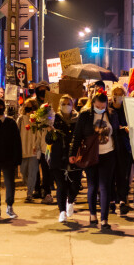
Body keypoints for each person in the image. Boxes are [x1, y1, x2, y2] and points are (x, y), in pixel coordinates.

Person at [69, 89, 119, 230]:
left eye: (103, 107)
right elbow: (77, 135)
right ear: (93, 104)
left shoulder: (112, 115)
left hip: (108, 154)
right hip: (91, 155)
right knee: (92, 185)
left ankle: (104, 219)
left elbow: (116, 133)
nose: (100, 109)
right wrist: (72, 153)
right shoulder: (85, 115)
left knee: (105, 186)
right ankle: (92, 215)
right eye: (98, 106)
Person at [46, 95, 80, 223]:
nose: (66, 106)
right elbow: (48, 140)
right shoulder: (55, 119)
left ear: (73, 105)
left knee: (75, 184)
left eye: (68, 103)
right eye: (64, 103)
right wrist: (50, 131)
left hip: (74, 155)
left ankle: (70, 201)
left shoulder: (78, 118)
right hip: (58, 156)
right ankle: (62, 212)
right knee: (61, 185)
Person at [109, 84, 134, 215]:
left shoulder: (127, 109)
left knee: (123, 175)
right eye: (115, 93)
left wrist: (127, 128)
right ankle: (112, 201)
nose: (117, 96)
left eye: (120, 94)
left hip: (124, 146)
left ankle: (123, 200)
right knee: (111, 174)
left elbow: (133, 123)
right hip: (110, 146)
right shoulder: (107, 109)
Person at [33, 81, 54, 204]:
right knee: (35, 165)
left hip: (47, 141)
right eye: (40, 89)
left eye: (45, 89)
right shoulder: (33, 102)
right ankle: (36, 188)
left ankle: (46, 190)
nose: (42, 92)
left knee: (46, 166)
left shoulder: (51, 103)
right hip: (35, 139)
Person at [16, 98, 40, 202]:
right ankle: (29, 186)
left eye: (30, 106)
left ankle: (29, 193)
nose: (28, 108)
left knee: (32, 173)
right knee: (23, 172)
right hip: (22, 149)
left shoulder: (37, 119)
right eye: (26, 106)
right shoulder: (21, 119)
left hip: (34, 150)